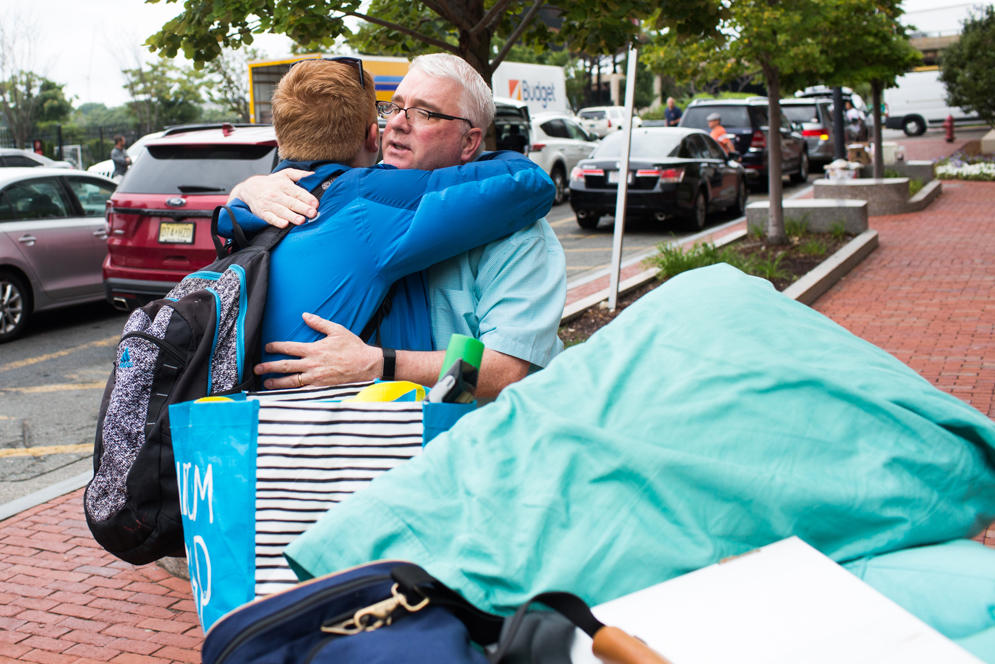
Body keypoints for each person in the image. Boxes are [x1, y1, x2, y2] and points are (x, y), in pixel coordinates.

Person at [224, 55, 565, 397]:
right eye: (394, 107)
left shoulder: (516, 234)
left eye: (425, 113)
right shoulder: (351, 197)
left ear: (469, 142)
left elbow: (504, 370)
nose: (398, 124)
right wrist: (248, 188)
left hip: (471, 439)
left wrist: (383, 363)